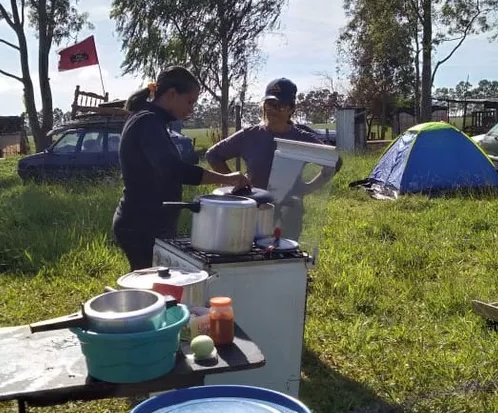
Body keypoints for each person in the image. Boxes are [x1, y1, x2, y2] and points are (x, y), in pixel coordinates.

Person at [112, 66, 249, 271]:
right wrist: (227, 178)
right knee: (152, 291)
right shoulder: (148, 122)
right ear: (172, 94)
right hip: (141, 224)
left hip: (148, 221)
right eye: (190, 101)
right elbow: (173, 169)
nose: (191, 109)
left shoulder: (152, 120)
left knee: (154, 289)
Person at [205, 78, 341, 239]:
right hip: (255, 210)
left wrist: (309, 188)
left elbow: (334, 161)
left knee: (285, 258)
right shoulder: (249, 135)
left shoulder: (301, 138)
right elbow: (213, 155)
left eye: (280, 106)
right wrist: (233, 182)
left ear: (291, 110)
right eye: (269, 104)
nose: (273, 110)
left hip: (289, 214)